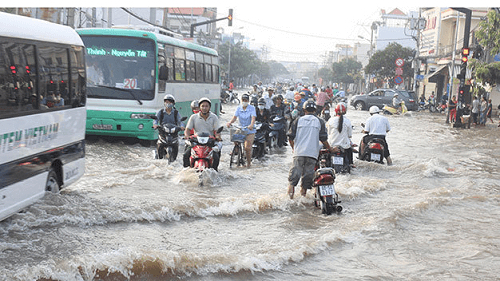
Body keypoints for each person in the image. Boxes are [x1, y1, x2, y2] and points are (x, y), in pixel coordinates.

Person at [287, 100, 335, 199]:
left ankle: (289, 201)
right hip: (312, 155)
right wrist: (330, 149)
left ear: (304, 110)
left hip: (298, 153)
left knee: (292, 181)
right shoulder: (320, 121)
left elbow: (290, 138)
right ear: (315, 110)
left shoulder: (298, 120)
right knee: (306, 180)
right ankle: (303, 198)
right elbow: (324, 139)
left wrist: (294, 148)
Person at [184, 97, 221, 171]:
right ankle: (186, 171)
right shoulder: (193, 117)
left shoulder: (214, 117)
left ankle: (214, 172)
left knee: (216, 156)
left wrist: (217, 136)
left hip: (209, 142)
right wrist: (187, 136)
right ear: (199, 107)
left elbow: (217, 131)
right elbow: (187, 130)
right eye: (202, 106)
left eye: (206, 106)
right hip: (196, 142)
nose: (204, 108)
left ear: (209, 107)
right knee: (186, 154)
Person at [227, 94, 256, 168]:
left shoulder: (252, 108)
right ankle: (236, 150)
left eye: (246, 100)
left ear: (248, 101)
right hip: (241, 129)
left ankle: (249, 163)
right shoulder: (238, 108)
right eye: (243, 100)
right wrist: (230, 122)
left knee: (247, 148)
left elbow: (253, 118)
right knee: (234, 137)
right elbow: (234, 117)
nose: (244, 102)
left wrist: (251, 125)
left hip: (249, 130)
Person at [153, 94, 185, 160]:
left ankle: (174, 158)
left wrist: (182, 126)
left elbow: (180, 121)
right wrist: (155, 125)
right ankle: (159, 157)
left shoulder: (176, 113)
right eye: (167, 102)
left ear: (173, 103)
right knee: (160, 144)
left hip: (173, 133)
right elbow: (156, 120)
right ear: (164, 103)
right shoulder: (161, 112)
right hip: (163, 132)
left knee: (176, 145)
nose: (168, 104)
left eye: (170, 102)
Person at [327, 103, 353, 167]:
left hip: (332, 145)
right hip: (344, 146)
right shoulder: (348, 121)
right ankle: (351, 164)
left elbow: (329, 133)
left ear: (335, 111)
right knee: (350, 150)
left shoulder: (331, 120)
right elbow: (350, 135)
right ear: (345, 112)